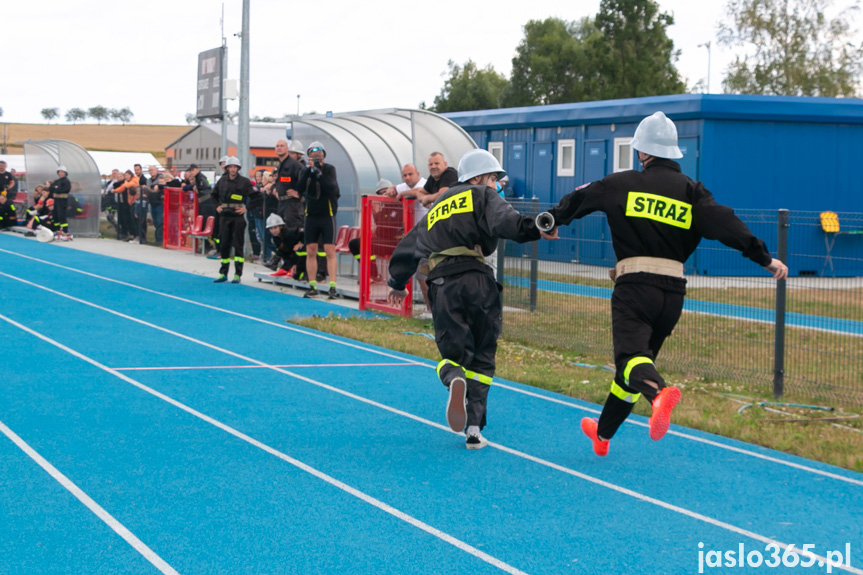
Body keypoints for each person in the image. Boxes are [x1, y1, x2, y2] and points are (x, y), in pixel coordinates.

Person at [538, 111, 789, 456]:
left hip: (635, 286)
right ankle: (602, 434)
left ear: (641, 151)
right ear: (673, 152)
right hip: (672, 295)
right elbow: (726, 223)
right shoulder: (692, 191)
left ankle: (658, 394)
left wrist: (553, 221)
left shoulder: (620, 183)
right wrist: (764, 257)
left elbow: (580, 197)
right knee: (634, 366)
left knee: (631, 358)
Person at [386, 149, 544, 449]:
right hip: (481, 281)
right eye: (494, 179)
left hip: (444, 282)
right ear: (480, 177)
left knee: (451, 352)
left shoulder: (438, 206)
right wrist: (536, 228)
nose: (497, 185)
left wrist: (397, 282)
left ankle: (453, 376)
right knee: (483, 355)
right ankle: (474, 428)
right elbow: (507, 221)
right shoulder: (482, 196)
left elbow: (410, 246)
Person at [297, 141, 341, 299]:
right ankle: (312, 285)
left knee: (329, 251)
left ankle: (332, 287)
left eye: (318, 155)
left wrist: (319, 174)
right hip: (311, 216)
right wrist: (309, 171)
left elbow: (332, 189)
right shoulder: (305, 171)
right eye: (312, 156)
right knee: (311, 251)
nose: (316, 158)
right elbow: (299, 188)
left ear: (323, 156)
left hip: (327, 215)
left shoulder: (329, 169)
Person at [211, 157, 255, 283]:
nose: (232, 169)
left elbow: (256, 197)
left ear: (238, 168)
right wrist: (217, 206)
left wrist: (247, 208)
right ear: (227, 168)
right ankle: (223, 273)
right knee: (224, 244)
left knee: (238, 245)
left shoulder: (245, 182)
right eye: (230, 167)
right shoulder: (222, 181)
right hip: (224, 216)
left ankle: (237, 274)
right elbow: (213, 195)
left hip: (237, 218)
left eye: (235, 167)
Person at [273, 139, 305, 234]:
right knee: (283, 233)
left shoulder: (295, 165)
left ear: (287, 149)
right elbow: (278, 182)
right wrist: (274, 189)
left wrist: (299, 194)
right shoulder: (280, 166)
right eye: (277, 146)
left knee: (293, 231)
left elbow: (306, 182)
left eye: (282, 146)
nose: (279, 148)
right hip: (282, 204)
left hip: (292, 206)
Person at [265, 213, 308, 280]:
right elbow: (285, 254)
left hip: (304, 253)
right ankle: (285, 267)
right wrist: (292, 264)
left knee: (299, 249)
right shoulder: (276, 238)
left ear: (281, 226)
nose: (273, 231)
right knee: (282, 251)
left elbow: (307, 232)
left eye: (275, 228)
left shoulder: (290, 233)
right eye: (271, 229)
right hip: (294, 256)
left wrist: (302, 243)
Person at [48, 165, 72, 240]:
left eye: (62, 172)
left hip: (62, 200)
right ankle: (57, 229)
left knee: (62, 216)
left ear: (65, 173)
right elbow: (51, 188)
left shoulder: (66, 181)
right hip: (56, 200)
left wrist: (56, 188)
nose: (61, 173)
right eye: (59, 172)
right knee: (55, 215)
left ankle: (65, 231)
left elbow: (63, 190)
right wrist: (55, 188)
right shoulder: (57, 181)